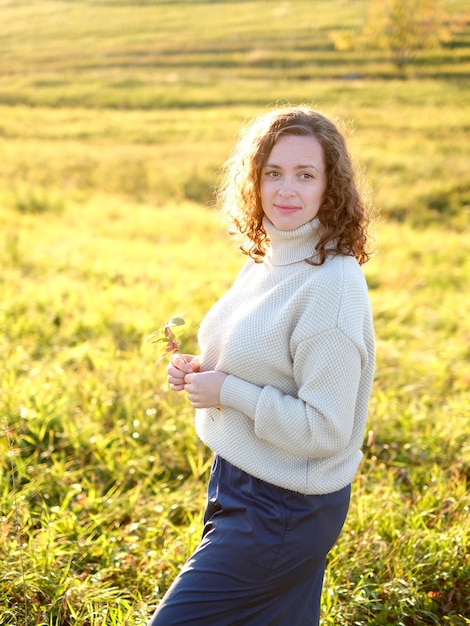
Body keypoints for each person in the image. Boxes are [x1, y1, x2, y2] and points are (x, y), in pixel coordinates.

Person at [147, 105, 375, 626]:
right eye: (272, 173)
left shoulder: (331, 289)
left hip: (284, 506)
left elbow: (328, 429)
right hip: (239, 480)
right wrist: (205, 368)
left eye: (304, 174)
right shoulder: (275, 254)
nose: (285, 190)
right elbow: (263, 356)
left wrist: (228, 390)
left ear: (330, 186)